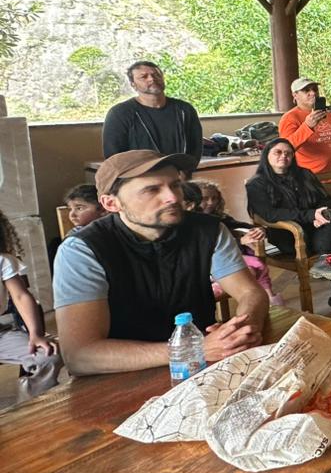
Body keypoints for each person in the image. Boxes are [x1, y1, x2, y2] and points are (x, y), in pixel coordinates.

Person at [53, 150, 268, 375]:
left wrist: (242, 329)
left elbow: (251, 293)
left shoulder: (208, 230)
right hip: (121, 375)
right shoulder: (83, 250)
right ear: (111, 203)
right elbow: (79, 356)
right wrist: (191, 349)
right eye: (152, 189)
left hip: (203, 367)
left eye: (175, 185)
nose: (173, 197)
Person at [246, 138, 331, 314]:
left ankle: (325, 261)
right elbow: (270, 215)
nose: (283, 156)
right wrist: (311, 216)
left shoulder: (304, 174)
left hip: (317, 228)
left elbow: (325, 199)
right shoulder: (256, 183)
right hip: (289, 235)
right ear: (267, 156)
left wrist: (321, 214)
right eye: (278, 152)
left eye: (288, 153)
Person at [0, 207, 61, 400]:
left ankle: (34, 405)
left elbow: (21, 296)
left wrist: (35, 334)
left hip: (1, 336)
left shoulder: (3, 261)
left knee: (48, 355)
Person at [193, 179, 282, 309]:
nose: (211, 203)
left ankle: (266, 298)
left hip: (233, 256)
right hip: (210, 263)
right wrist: (241, 241)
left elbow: (243, 226)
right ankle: (263, 297)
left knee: (255, 266)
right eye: (205, 199)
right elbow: (207, 246)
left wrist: (260, 230)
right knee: (253, 268)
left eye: (214, 198)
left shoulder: (220, 217)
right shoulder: (194, 223)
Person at [102, 60, 203, 159]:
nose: (152, 79)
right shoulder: (120, 113)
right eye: (143, 77)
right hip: (138, 174)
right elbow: (113, 156)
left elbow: (195, 148)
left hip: (179, 173)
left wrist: (185, 170)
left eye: (156, 75)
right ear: (133, 84)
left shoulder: (184, 110)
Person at [279, 77, 331, 178]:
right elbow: (286, 148)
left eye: (315, 89)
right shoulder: (289, 118)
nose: (313, 93)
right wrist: (307, 126)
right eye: (306, 90)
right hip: (310, 179)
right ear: (295, 95)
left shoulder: (326, 114)